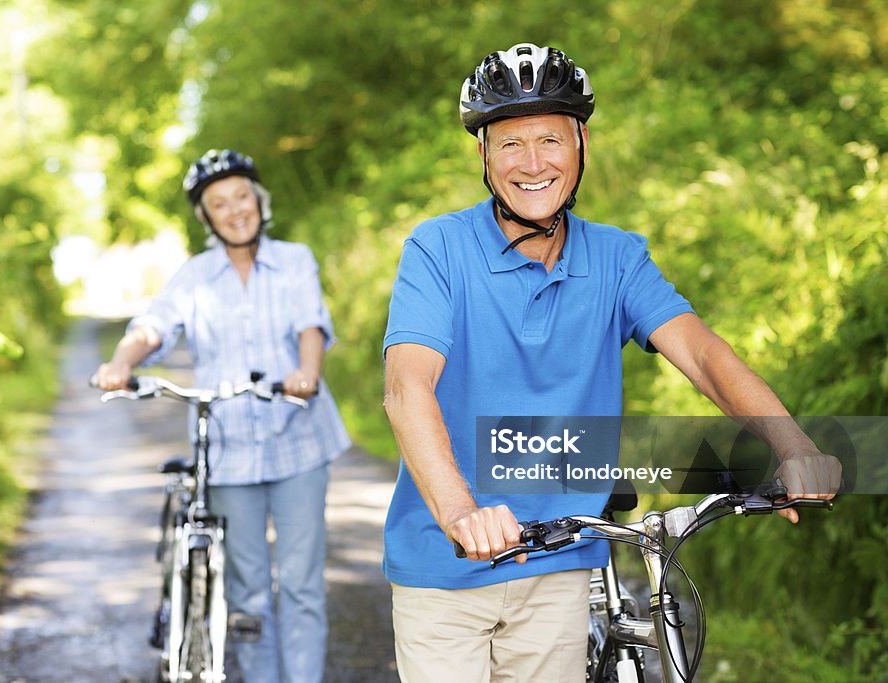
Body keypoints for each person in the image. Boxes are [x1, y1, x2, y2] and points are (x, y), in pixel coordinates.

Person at [381, 43, 841, 682]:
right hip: (445, 565)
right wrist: (462, 513)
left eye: (550, 140)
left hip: (560, 566)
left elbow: (705, 357)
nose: (533, 163)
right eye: (511, 143)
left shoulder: (618, 258)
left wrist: (791, 444)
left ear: (581, 146)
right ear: (483, 154)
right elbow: (408, 388)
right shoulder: (439, 249)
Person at [94, 149, 351, 683]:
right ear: (206, 218)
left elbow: (310, 322)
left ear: (259, 201)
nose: (235, 210)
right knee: (248, 587)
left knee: (302, 583)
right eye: (219, 203)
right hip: (229, 449)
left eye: (242, 197)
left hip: (299, 438)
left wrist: (307, 370)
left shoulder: (295, 259)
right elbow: (154, 326)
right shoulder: (195, 275)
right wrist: (122, 361)